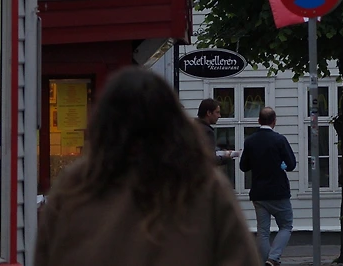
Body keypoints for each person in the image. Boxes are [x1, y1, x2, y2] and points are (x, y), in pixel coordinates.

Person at [34, 67, 258, 266]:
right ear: (173, 123)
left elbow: (45, 256)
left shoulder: (74, 188)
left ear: (103, 123)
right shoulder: (203, 185)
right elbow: (240, 256)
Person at [239, 107, 297, 266]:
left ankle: (266, 261)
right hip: (279, 191)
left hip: (259, 192)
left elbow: (243, 166)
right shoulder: (279, 140)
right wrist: (282, 165)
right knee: (286, 225)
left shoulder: (250, 141)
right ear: (274, 121)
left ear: (259, 121)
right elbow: (291, 164)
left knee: (263, 231)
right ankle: (273, 257)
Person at [196, 98, 238, 166]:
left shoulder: (192, 127)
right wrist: (226, 158)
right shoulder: (207, 132)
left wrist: (220, 152)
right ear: (209, 113)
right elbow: (210, 159)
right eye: (217, 112)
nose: (219, 116)